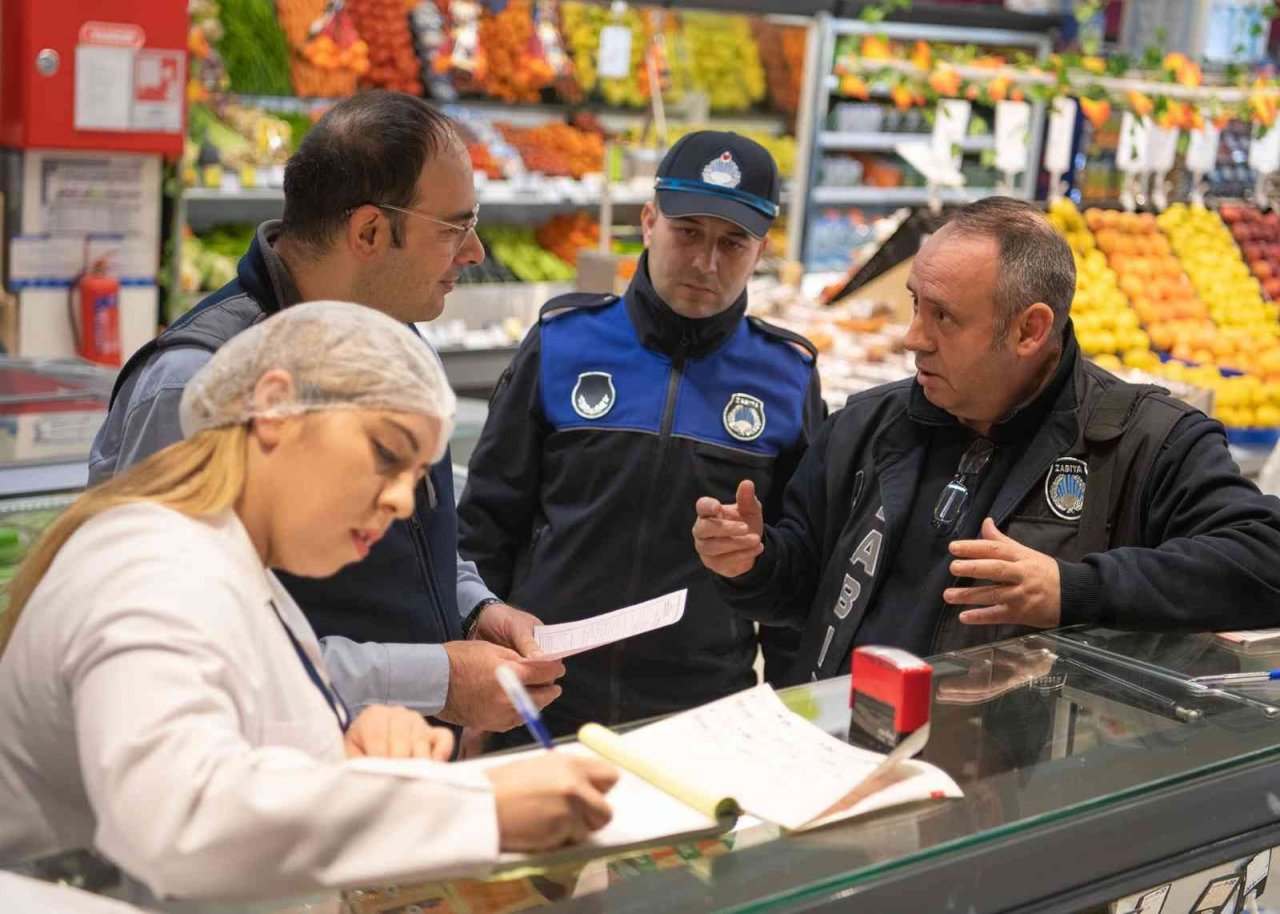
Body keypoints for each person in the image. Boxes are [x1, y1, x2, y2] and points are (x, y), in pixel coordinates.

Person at [0, 302, 618, 909]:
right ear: (274, 407)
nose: (404, 502)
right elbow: (182, 818)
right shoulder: (152, 568)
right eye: (386, 453)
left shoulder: (231, 564)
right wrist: (481, 809)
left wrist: (341, 750)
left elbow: (227, 734)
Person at [89, 91, 560, 733]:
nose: (475, 252)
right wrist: (436, 682)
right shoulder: (196, 384)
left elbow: (419, 533)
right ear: (369, 232)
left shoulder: (387, 330)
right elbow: (174, 654)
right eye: (454, 227)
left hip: (379, 775)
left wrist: (473, 609)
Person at [693, 197, 1280, 683]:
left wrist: (1074, 589)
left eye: (943, 318)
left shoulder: (1144, 442)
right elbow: (806, 592)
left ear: (1030, 329)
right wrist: (755, 563)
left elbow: (1265, 560)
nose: (911, 338)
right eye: (916, 305)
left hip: (1023, 800)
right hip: (853, 765)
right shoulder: (868, 425)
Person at [458, 131, 823, 739]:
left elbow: (797, 569)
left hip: (706, 713)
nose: (707, 263)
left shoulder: (787, 375)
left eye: (733, 242)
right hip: (544, 694)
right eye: (689, 233)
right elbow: (486, 526)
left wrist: (796, 718)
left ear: (761, 251)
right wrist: (468, 678)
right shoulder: (563, 342)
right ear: (649, 221)